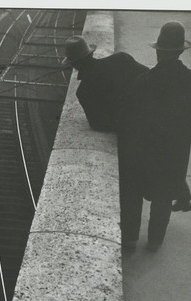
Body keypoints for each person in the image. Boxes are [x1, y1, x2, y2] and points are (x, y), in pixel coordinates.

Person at [63, 36, 152, 250]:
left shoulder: (83, 92)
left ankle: (130, 237)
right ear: (91, 53)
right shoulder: (120, 59)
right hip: (147, 126)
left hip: (126, 136)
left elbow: (97, 124)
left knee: (130, 187)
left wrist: (121, 121)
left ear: (74, 65)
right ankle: (157, 233)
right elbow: (148, 78)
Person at [120, 21, 191, 251]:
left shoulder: (144, 82)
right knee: (163, 199)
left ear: (159, 51)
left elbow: (130, 121)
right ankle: (155, 241)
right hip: (175, 154)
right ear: (180, 51)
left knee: (134, 191)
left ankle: (130, 237)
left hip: (145, 152)